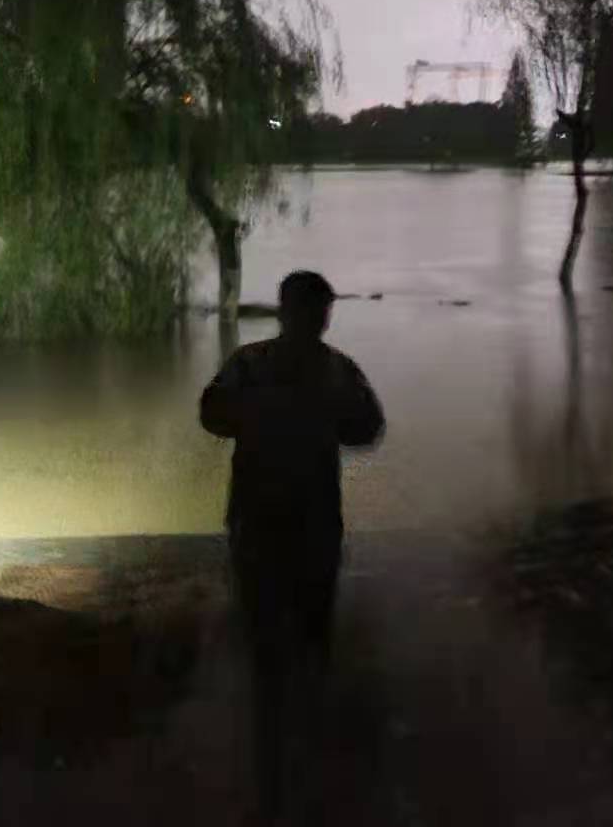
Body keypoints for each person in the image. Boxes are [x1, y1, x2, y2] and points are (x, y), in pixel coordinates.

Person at [198, 270, 384, 819]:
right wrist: (309, 413)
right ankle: (294, 755)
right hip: (302, 522)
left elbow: (212, 413)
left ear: (284, 312)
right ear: (317, 315)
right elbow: (367, 427)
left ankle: (276, 757)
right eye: (318, 310)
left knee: (274, 634)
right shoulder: (335, 369)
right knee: (305, 633)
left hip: (270, 520)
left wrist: (260, 415)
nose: (317, 320)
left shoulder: (251, 365)